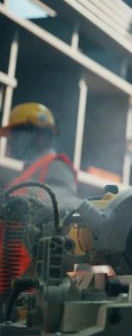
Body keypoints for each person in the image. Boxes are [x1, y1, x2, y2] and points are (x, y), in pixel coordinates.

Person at [0, 102, 78, 286]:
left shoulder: (55, 166)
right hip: (11, 279)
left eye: (16, 134)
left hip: (30, 283)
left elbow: (61, 213)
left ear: (40, 136)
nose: (10, 141)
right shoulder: (26, 173)